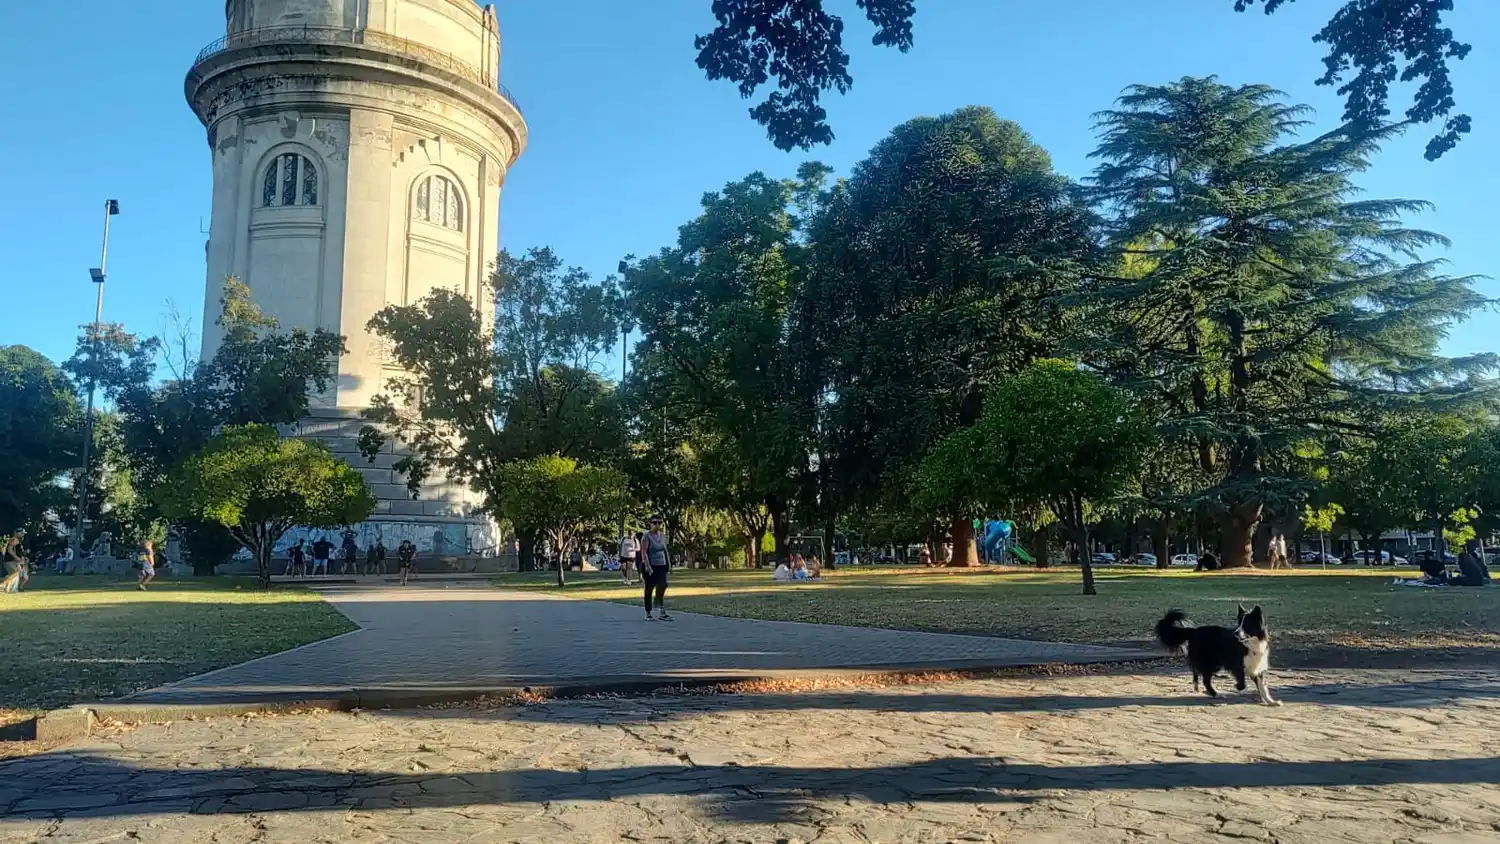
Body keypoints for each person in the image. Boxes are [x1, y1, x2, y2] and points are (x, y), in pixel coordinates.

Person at [641, 516, 671, 620]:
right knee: (649, 588)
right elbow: (644, 552)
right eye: (655, 523)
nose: (657, 525)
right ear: (650, 524)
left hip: (662, 564)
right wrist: (648, 566)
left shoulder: (662, 536)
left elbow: (665, 550)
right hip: (651, 565)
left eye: (659, 523)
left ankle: (660, 609)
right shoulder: (646, 536)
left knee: (663, 585)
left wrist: (669, 564)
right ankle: (648, 612)